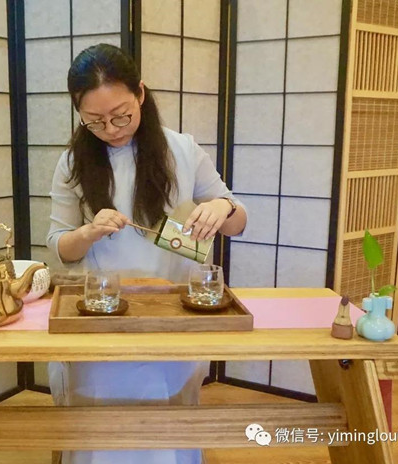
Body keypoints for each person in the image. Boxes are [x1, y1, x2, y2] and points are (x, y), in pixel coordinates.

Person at [46, 43, 247, 464]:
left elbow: (238, 221)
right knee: (102, 428)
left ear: (140, 93)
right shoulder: (72, 163)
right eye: (94, 120)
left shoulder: (182, 150)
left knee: (167, 423)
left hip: (172, 314)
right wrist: (87, 232)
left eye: (121, 115)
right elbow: (59, 248)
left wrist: (221, 207)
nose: (111, 129)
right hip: (101, 315)